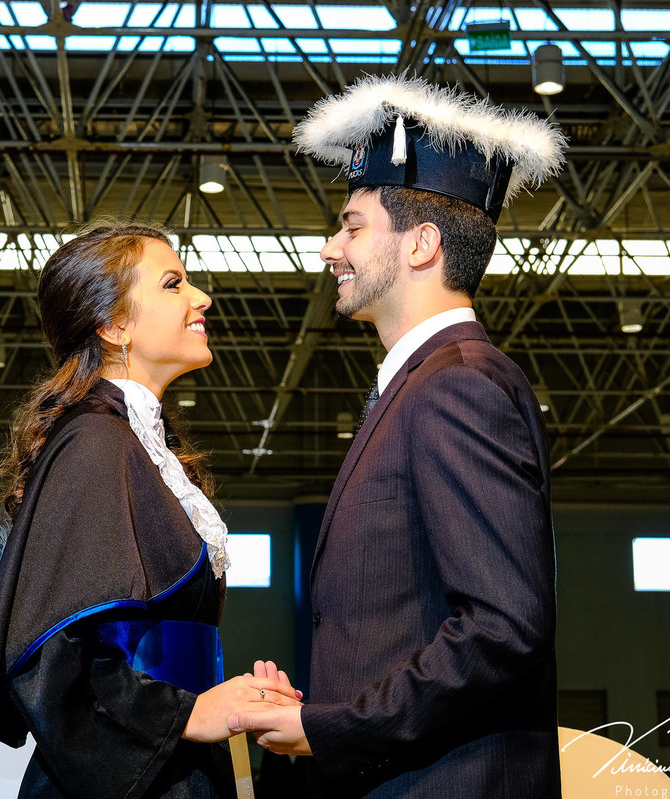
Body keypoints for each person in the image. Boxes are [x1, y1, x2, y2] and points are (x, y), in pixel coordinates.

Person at [228, 75, 567, 797]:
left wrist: (334, 726)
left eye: (351, 226)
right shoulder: (423, 383)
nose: (330, 249)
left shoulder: (456, 386)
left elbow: (504, 626)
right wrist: (316, 710)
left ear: (421, 245)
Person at [0, 221, 300, 799]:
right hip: (127, 773)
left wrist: (234, 699)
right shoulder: (95, 441)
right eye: (173, 284)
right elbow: (51, 661)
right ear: (114, 326)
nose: (201, 297)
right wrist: (189, 714)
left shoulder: (135, 444)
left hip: (169, 764)